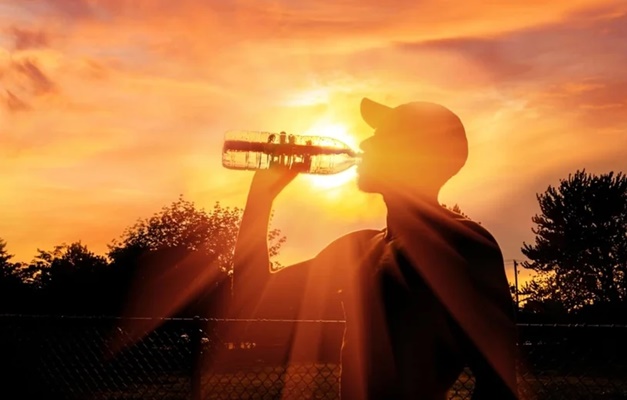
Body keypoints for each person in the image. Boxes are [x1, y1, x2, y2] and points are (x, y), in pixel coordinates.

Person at [231, 98, 519, 399]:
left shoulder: (463, 245)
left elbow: (498, 385)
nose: (365, 143)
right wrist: (262, 194)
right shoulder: (359, 248)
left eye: (383, 137)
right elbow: (251, 299)